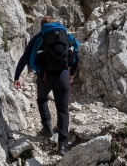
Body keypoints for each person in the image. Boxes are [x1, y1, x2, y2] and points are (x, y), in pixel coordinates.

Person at [13, 16, 80, 155]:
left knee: (42, 99)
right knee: (63, 111)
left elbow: (25, 57)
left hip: (44, 76)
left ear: (42, 26)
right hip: (63, 76)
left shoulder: (40, 37)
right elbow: (76, 53)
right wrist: (71, 72)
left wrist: (17, 76)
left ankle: (47, 127)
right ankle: (62, 145)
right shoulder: (65, 35)